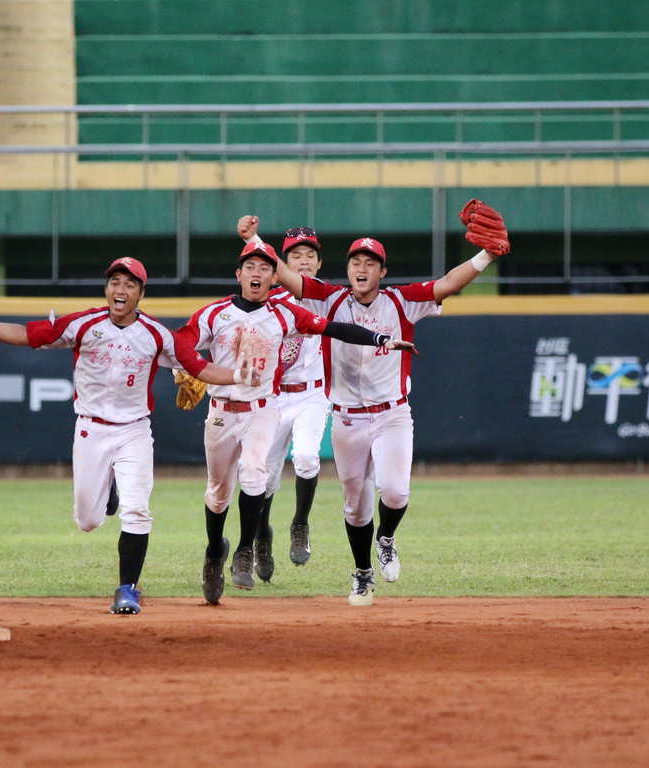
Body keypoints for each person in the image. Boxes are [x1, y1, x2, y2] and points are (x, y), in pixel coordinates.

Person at [0, 256, 259, 615]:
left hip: (134, 431)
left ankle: (127, 589)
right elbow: (27, 335)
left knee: (138, 511)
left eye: (129, 284)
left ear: (141, 293)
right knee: (88, 520)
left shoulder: (156, 335)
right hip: (90, 429)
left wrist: (237, 376)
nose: (120, 290)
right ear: (107, 288)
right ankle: (107, 490)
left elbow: (199, 366)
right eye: (115, 282)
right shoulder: (82, 324)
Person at [239, 199, 510, 606]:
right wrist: (253, 239)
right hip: (347, 420)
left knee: (396, 492)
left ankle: (387, 539)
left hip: (392, 415)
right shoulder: (328, 299)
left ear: (382, 272)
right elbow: (285, 275)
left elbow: (449, 283)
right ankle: (362, 572)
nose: (361, 269)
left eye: (370, 263)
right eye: (355, 262)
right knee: (354, 507)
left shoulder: (402, 301)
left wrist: (486, 254)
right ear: (347, 269)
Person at [176, 240, 415, 605]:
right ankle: (217, 550)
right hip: (223, 411)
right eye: (250, 268)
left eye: (263, 268)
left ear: (275, 276)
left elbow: (335, 328)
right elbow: (181, 343)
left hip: (266, 406)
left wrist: (381, 338)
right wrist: (186, 364)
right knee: (219, 493)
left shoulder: (288, 312)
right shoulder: (215, 313)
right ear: (239, 274)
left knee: (266, 467)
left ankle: (250, 546)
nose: (257, 274)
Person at [236, 226, 330, 577]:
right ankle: (261, 536)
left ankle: (300, 525)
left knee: (306, 456)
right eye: (295, 257)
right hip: (274, 398)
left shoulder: (328, 299)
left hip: (313, 395)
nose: (303, 262)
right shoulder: (270, 304)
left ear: (319, 264)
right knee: (261, 477)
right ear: (282, 266)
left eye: (310, 256)